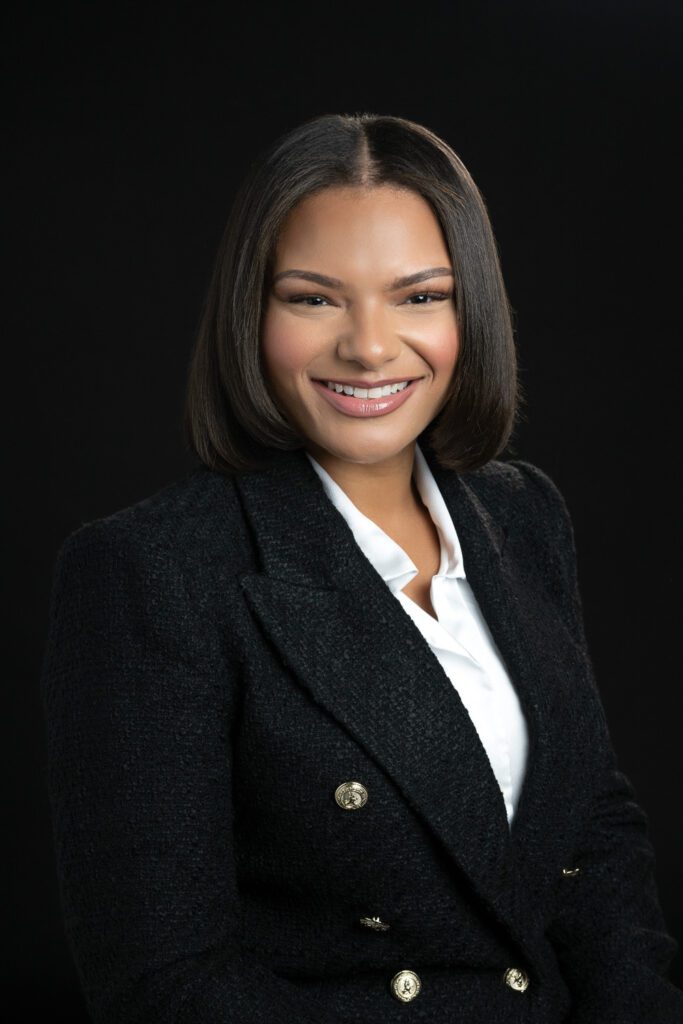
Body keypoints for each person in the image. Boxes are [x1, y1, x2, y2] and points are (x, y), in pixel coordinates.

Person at [40, 112, 681, 1024]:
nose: (371, 346)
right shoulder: (150, 571)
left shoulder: (521, 512)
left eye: (419, 296)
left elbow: (590, 837)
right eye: (313, 298)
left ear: (472, 310)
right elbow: (164, 981)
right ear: (249, 311)